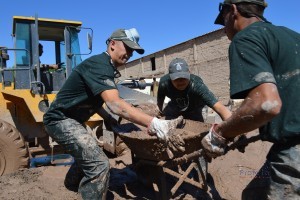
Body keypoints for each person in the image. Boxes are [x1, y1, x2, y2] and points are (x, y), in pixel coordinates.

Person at [43, 28, 184, 200]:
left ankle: (71, 186)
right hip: (59, 120)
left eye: (133, 51)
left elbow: (93, 100)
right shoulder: (99, 65)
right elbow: (116, 105)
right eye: (128, 48)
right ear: (112, 44)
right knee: (100, 164)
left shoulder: (105, 67)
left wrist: (107, 117)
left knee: (88, 153)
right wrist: (154, 122)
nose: (130, 54)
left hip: (72, 120)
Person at [201, 0, 300, 199]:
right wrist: (238, 128)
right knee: (253, 194)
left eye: (224, 21)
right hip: (289, 142)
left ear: (234, 11)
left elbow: (265, 104)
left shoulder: (246, 38)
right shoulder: (292, 36)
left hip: (295, 149)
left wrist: (219, 134)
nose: (224, 30)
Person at [157, 57, 232, 122]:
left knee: (198, 127)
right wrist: (159, 113)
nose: (180, 81)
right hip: (177, 104)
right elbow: (160, 100)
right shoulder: (164, 83)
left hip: (197, 106)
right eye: (176, 79)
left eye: (183, 77)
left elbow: (219, 107)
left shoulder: (196, 84)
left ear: (189, 73)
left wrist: (233, 125)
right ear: (170, 77)